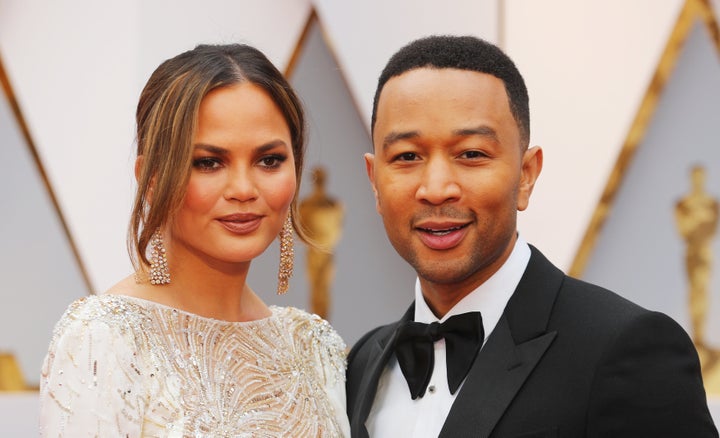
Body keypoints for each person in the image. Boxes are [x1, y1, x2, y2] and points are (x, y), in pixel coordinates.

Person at [346, 35, 718, 437]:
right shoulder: (364, 362)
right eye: (407, 157)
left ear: (526, 175)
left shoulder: (626, 349)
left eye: (471, 154)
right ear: (374, 182)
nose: (436, 188)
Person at [40, 44, 350, 437]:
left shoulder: (315, 348)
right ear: (151, 179)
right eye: (208, 162)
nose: (243, 188)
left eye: (269, 160)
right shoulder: (105, 341)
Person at [299, 166, 344, 319]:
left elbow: (337, 228)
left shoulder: (333, 205)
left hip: (326, 251)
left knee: (323, 288)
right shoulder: (306, 206)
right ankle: (318, 324)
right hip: (314, 251)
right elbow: (300, 228)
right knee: (316, 289)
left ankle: (323, 325)